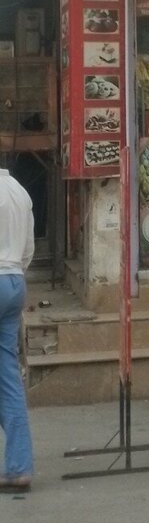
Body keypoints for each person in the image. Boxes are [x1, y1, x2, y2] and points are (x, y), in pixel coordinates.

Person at [0, 168, 35, 493]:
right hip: (14, 281)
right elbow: (28, 250)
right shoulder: (18, 190)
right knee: (8, 377)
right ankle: (19, 466)